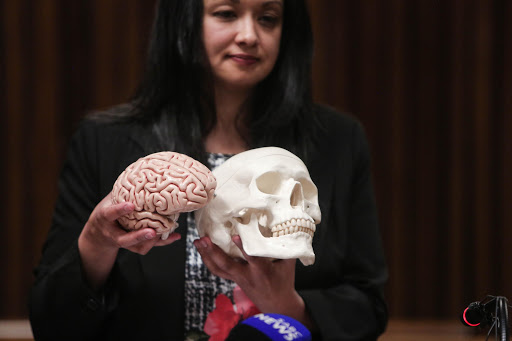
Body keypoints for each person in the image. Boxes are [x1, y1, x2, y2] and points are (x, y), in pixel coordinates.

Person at [29, 0, 388, 340]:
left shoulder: (338, 141)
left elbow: (367, 308)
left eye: (268, 18)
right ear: (184, 21)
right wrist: (96, 242)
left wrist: (287, 307)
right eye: (227, 13)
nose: (249, 34)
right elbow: (53, 325)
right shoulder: (104, 142)